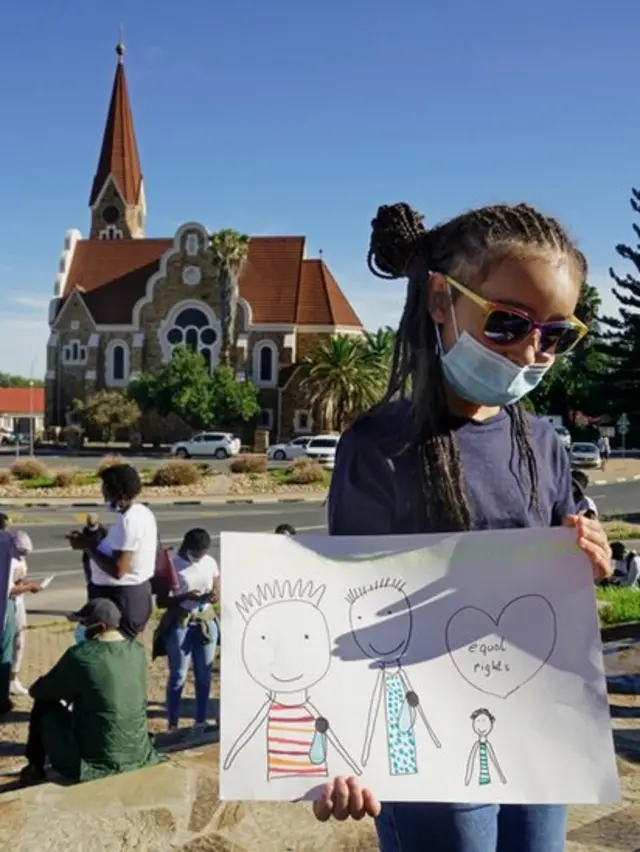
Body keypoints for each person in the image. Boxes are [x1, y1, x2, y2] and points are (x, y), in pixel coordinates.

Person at [314, 202, 613, 852]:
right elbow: (347, 608)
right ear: (442, 301)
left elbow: (576, 540)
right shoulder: (379, 446)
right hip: (427, 736)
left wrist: (593, 554)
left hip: (538, 727)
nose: (531, 349)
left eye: (555, 333)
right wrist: (343, 747)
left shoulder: (542, 441)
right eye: (508, 323)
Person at [19, 598, 162, 786]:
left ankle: (35, 767)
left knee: (43, 705)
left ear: (100, 626)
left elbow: (40, 691)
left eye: (84, 623)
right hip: (139, 752)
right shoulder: (137, 651)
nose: (80, 628)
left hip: (96, 762)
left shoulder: (81, 656)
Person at [67, 464, 157, 639]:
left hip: (120, 600)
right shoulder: (141, 513)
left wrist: (87, 546)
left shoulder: (129, 521)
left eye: (106, 490)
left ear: (119, 493)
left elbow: (118, 570)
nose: (103, 495)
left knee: (110, 653)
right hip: (128, 596)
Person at [154, 528, 220, 734]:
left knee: (204, 674)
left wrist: (213, 595)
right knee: (179, 674)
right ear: (187, 547)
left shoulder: (209, 562)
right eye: (196, 553)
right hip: (182, 622)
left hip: (206, 621)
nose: (199, 558)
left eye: (202, 553)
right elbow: (161, 601)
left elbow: (217, 587)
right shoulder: (173, 565)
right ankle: (172, 724)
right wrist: (184, 596)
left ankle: (200, 721)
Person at [10, 530, 36, 696]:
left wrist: (26, 584)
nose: (23, 556)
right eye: (21, 552)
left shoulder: (20, 558)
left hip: (19, 603)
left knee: (19, 640)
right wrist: (28, 587)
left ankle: (13, 679)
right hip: (7, 603)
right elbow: (9, 589)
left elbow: (18, 581)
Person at [80, 513, 108, 589]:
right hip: (87, 559)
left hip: (98, 559)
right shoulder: (86, 530)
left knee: (99, 581)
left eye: (92, 525)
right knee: (89, 581)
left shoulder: (103, 531)